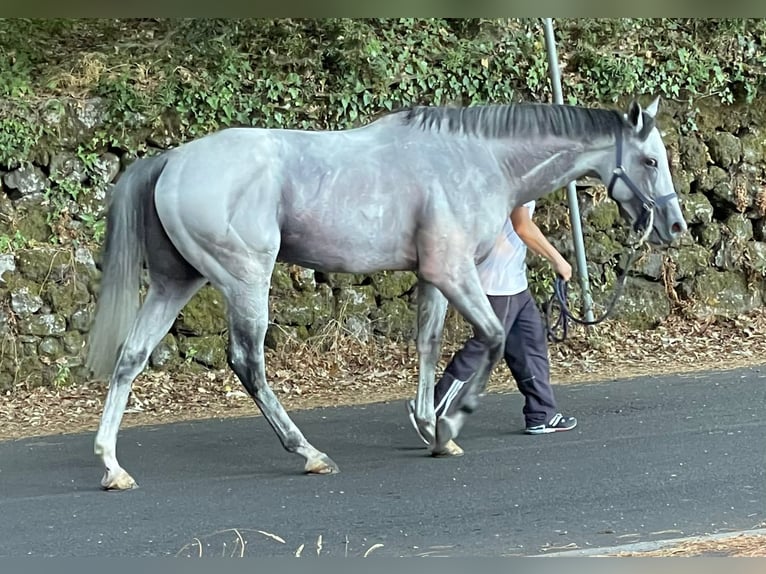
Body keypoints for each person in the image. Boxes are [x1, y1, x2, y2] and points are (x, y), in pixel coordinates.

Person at [407, 200, 577, 442]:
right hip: (496, 282)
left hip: (513, 282)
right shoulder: (518, 178)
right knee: (484, 347)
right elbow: (522, 227)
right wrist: (557, 260)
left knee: (530, 345)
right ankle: (431, 409)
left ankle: (542, 414)